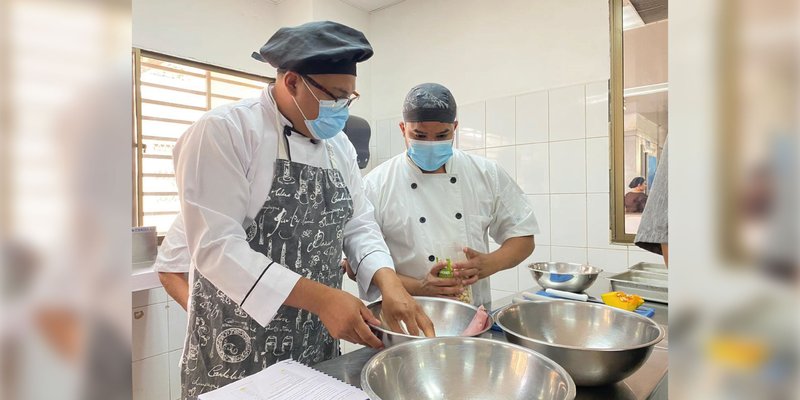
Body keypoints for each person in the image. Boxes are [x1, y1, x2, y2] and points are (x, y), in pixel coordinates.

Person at [168, 21, 434, 399]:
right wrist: (324, 298)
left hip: (316, 341)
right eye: (335, 96)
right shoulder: (224, 132)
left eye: (349, 98)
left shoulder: (338, 145)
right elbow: (216, 249)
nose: (342, 108)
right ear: (292, 82)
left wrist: (389, 283)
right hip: (237, 349)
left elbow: (358, 222)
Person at [346, 83, 539, 308]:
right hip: (406, 317)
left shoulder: (486, 173)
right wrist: (421, 287)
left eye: (441, 135)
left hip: (471, 314)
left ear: (455, 128)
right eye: (419, 135)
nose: (431, 143)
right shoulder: (376, 184)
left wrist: (489, 264)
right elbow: (356, 266)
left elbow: (523, 237)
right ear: (402, 129)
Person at [635, 142, 668, 265]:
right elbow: (662, 224)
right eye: (644, 183)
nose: (646, 185)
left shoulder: (627, 196)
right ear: (639, 185)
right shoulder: (643, 198)